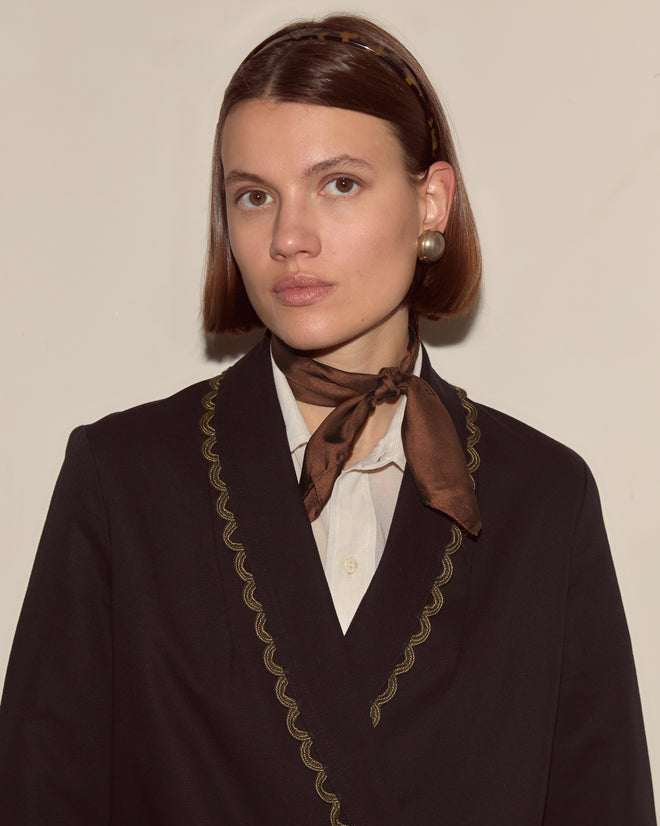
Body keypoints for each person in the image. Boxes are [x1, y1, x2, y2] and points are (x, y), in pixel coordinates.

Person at [0, 13, 655, 826]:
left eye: (338, 184)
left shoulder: (545, 497)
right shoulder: (124, 480)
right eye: (254, 196)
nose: (289, 238)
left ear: (432, 202)